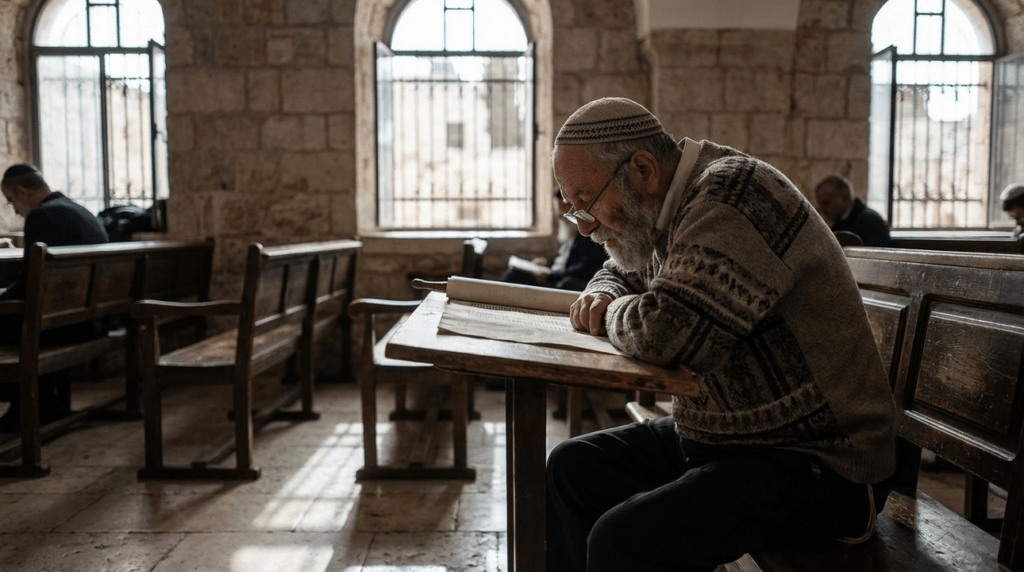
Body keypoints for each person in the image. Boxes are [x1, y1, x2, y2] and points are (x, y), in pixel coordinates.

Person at [547, 98, 896, 572]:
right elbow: (619, 270)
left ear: (643, 169)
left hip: (820, 464)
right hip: (729, 439)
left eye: (586, 203)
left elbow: (665, 335)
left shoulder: (733, 196)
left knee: (621, 541)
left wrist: (607, 312)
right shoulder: (663, 207)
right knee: (573, 467)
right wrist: (604, 289)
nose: (584, 226)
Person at [0, 163, 110, 430]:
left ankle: (26, 407)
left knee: (9, 321)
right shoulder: (81, 211)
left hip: (65, 324)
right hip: (90, 318)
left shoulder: (42, 217)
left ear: (23, 192)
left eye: (11, 200)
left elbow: (29, 286)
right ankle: (44, 400)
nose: (13, 209)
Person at [502, 191, 609, 291]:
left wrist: (549, 275)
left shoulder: (587, 237)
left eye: (562, 209)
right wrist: (544, 266)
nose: (558, 215)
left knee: (513, 275)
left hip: (559, 281)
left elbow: (583, 269)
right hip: (553, 276)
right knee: (513, 273)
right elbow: (561, 260)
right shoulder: (570, 233)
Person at [813, 175, 892, 247]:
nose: (822, 210)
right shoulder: (839, 221)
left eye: (825, 203)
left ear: (843, 197)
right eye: (819, 205)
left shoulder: (871, 222)